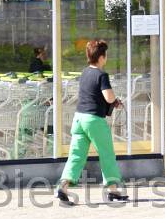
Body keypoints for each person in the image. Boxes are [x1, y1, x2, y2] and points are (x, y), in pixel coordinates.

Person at [55, 40, 128, 205]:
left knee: (76, 156)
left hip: (79, 118)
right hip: (94, 120)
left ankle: (62, 187)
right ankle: (113, 190)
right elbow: (109, 97)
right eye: (106, 55)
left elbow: (91, 94)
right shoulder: (102, 75)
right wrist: (116, 101)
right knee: (107, 154)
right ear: (101, 57)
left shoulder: (85, 72)